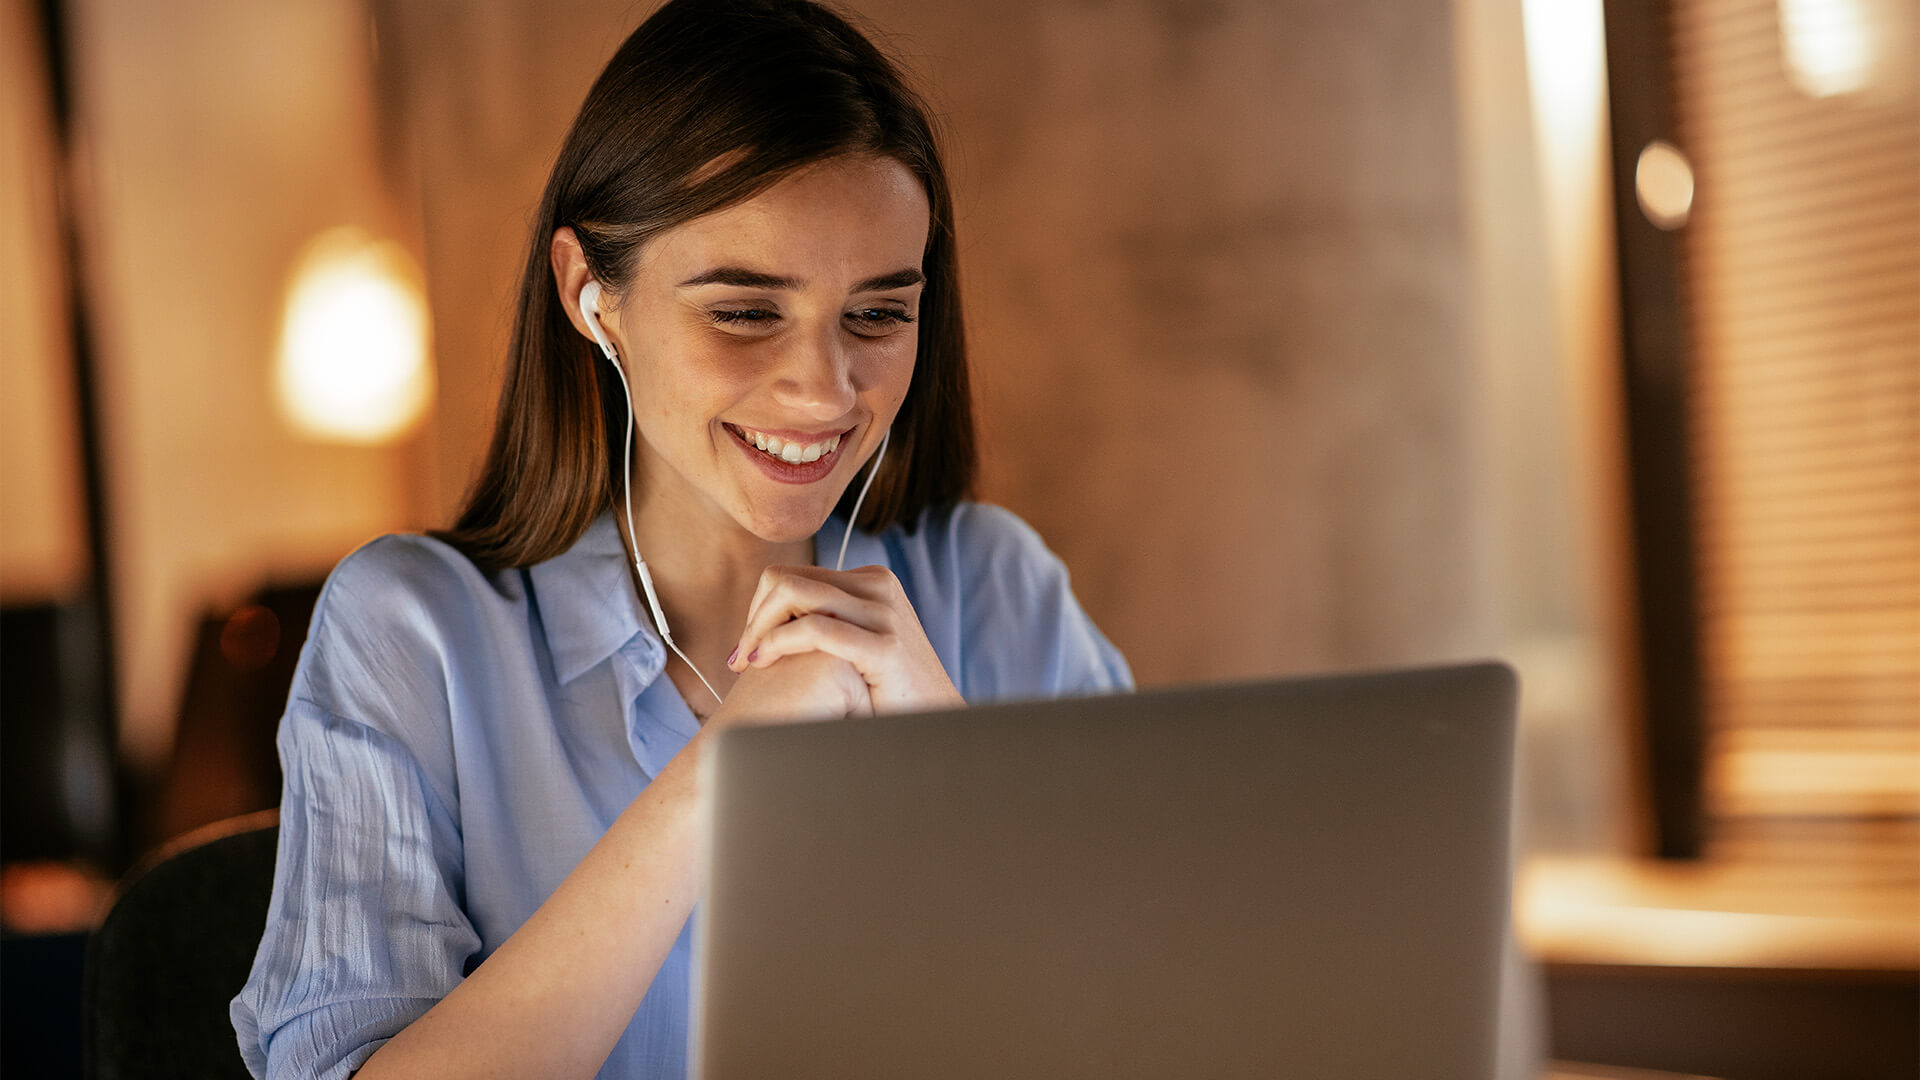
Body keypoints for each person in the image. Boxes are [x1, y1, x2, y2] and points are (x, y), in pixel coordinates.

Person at [230, 1, 1131, 1077]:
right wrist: (727, 770)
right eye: (746, 312)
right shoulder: (413, 633)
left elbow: (1166, 1017)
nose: (825, 389)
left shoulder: (995, 590)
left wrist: (948, 762)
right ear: (590, 294)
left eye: (879, 314)